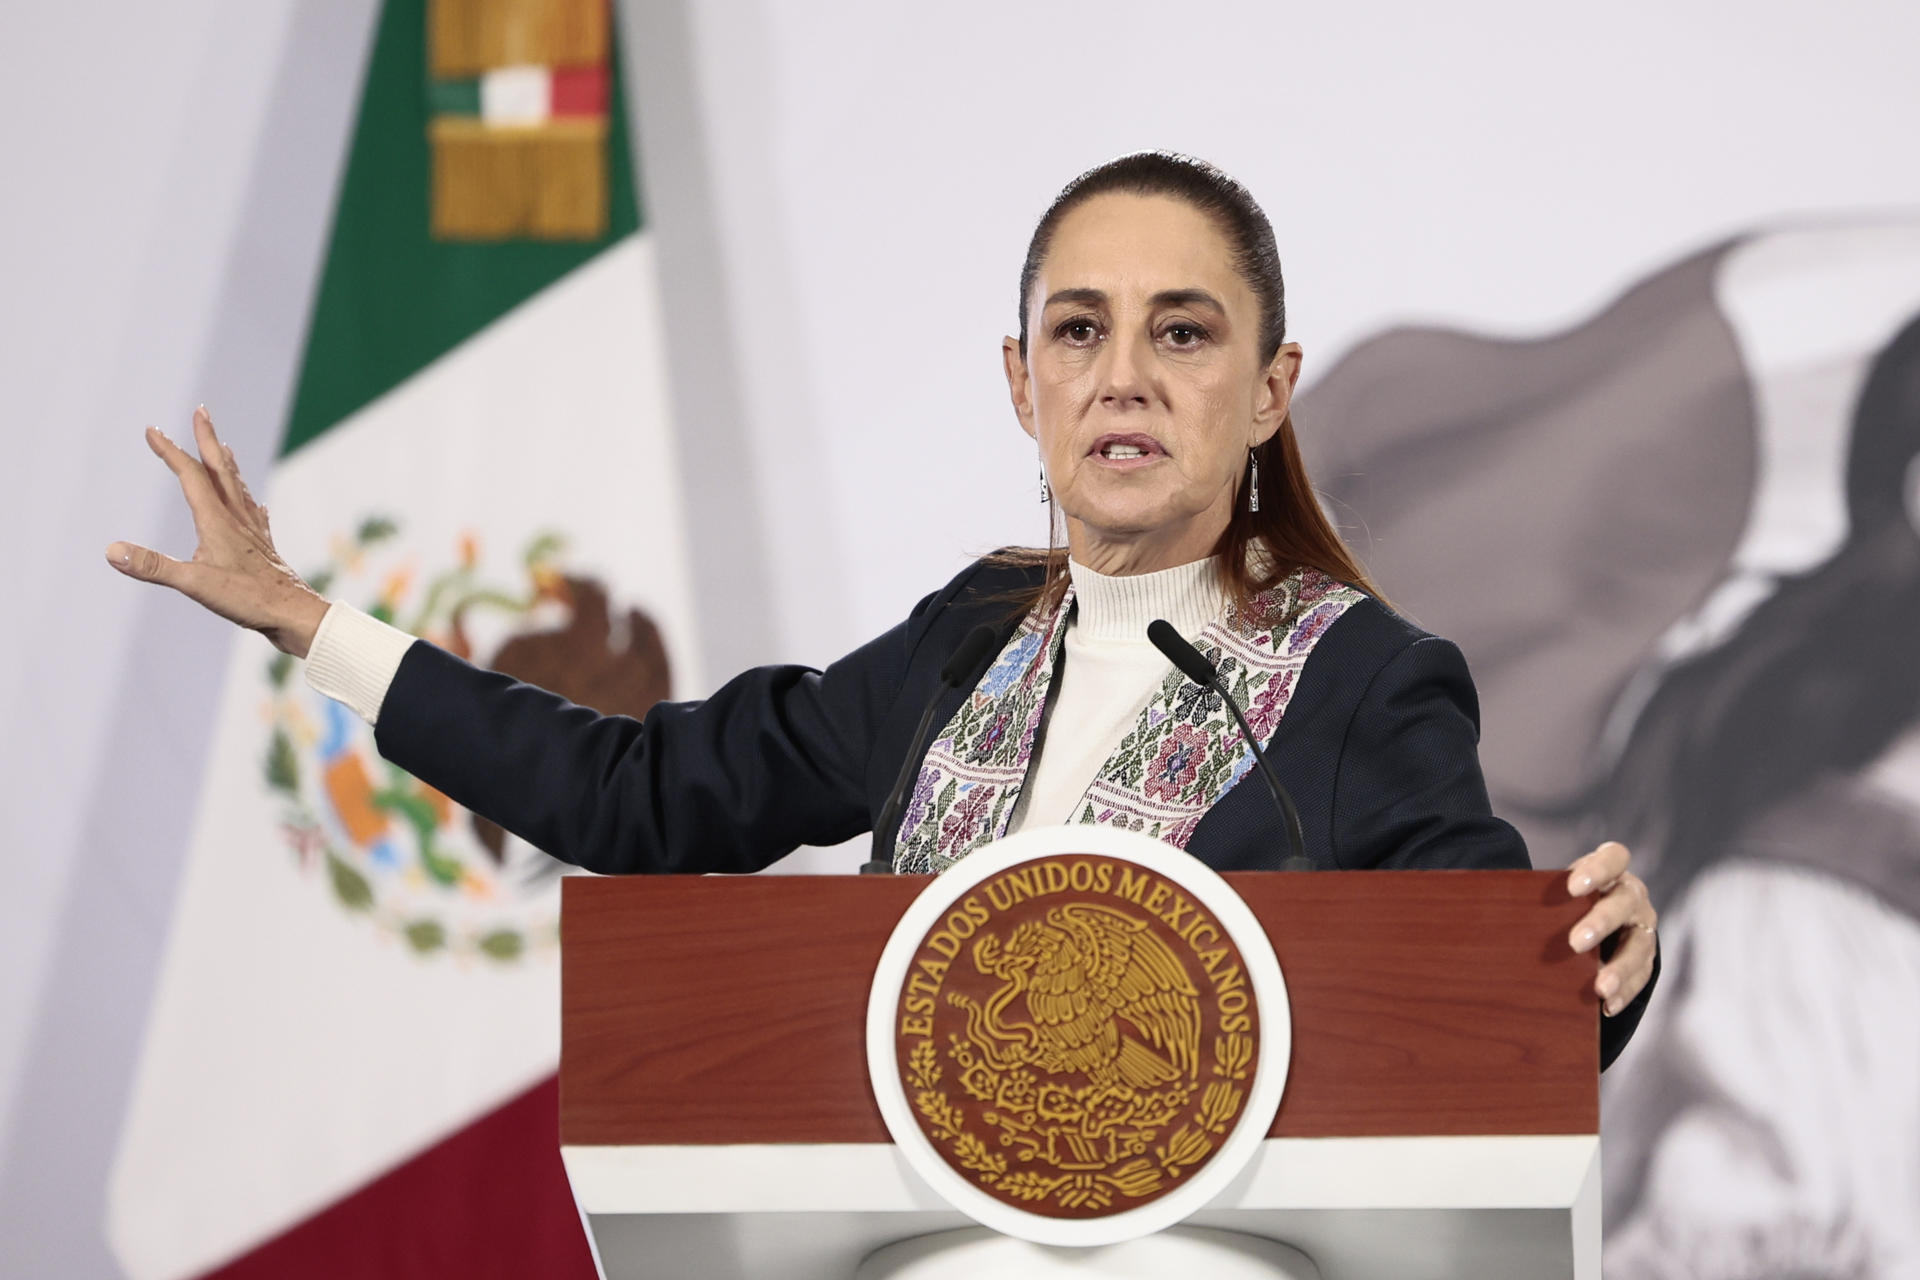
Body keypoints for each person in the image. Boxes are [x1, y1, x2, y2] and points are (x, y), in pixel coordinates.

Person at [105, 151, 1659, 1065]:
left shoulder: (1361, 683)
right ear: (1020, 380)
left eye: (1182, 334)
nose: (1123, 374)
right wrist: (316, 625)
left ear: (1268, 393)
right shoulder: (963, 641)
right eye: (1080, 329)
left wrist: (1609, 971)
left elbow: (1499, 1010)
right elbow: (637, 799)